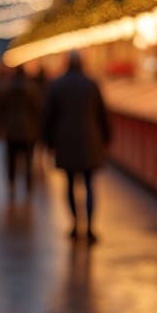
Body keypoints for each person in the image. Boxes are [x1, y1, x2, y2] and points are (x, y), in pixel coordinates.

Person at [43, 50, 110, 244]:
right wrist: (106, 138)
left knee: (71, 184)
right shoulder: (92, 84)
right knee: (89, 185)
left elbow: (49, 116)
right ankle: (89, 226)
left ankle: (74, 224)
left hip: (65, 141)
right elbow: (102, 114)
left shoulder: (57, 85)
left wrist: (48, 141)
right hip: (90, 140)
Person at [0, 64, 42, 195]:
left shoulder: (7, 89)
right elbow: (38, 111)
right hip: (29, 131)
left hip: (11, 131)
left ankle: (11, 185)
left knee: (11, 160)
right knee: (28, 160)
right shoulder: (32, 89)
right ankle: (28, 184)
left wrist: (0, 127)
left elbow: (0, 110)